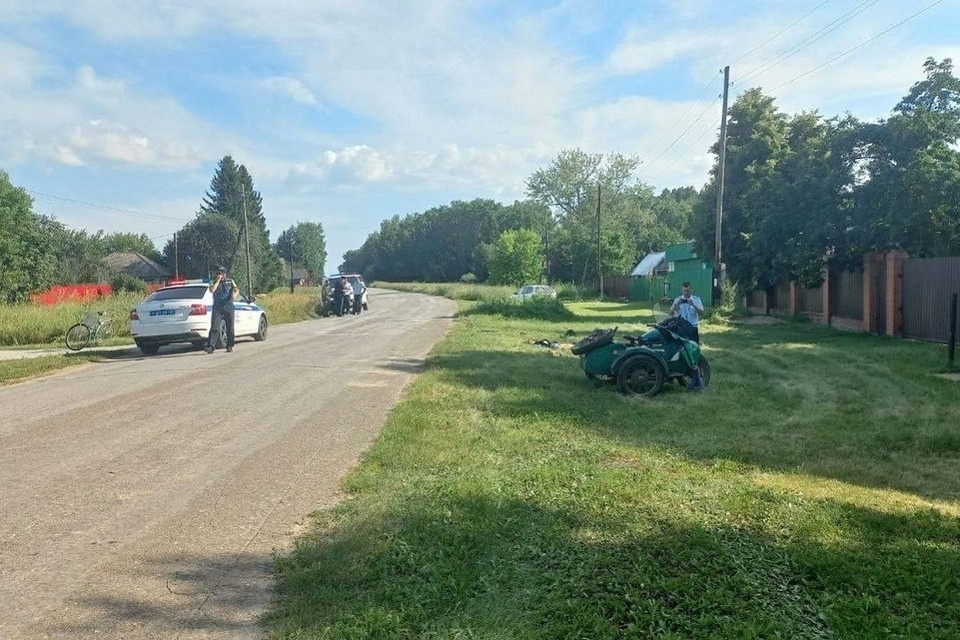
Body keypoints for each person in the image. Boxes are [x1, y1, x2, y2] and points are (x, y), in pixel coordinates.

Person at [670, 281, 705, 391]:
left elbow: (702, 313)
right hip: (682, 329)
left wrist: (693, 304)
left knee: (693, 353)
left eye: (688, 290)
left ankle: (697, 379)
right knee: (681, 352)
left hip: (693, 329)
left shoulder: (696, 299)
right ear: (682, 290)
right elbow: (670, 313)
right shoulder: (677, 299)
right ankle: (682, 375)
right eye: (684, 291)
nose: (686, 292)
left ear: (691, 290)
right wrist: (675, 306)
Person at [204, 265, 238, 353]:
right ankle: (211, 346)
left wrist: (234, 294)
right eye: (218, 273)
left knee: (230, 327)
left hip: (228, 306)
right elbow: (212, 290)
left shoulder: (230, 281)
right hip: (217, 307)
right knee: (215, 326)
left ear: (225, 274)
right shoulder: (213, 281)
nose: (220, 274)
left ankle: (229, 345)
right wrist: (218, 281)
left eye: (221, 273)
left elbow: (236, 289)